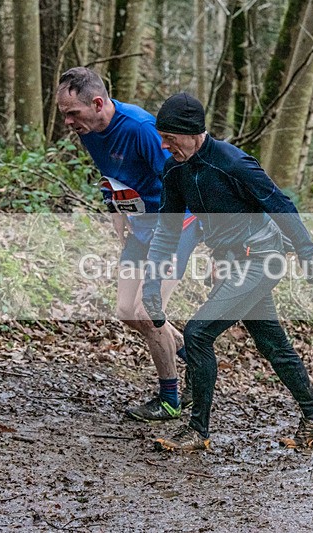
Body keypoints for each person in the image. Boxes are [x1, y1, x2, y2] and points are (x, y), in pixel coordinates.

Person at [140, 92, 313, 452]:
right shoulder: (174, 170)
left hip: (261, 259)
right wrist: (151, 283)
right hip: (233, 264)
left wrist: (308, 255)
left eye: (170, 138)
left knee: (198, 333)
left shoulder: (233, 163)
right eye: (161, 138)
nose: (165, 146)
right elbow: (167, 229)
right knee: (271, 343)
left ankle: (197, 431)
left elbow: (281, 205)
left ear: (193, 132)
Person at [56, 67, 203, 422]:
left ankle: (170, 399)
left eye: (72, 113)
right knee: (126, 311)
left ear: (97, 103)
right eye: (64, 114)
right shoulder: (89, 131)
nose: (68, 122)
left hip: (176, 226)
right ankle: (198, 359)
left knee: (147, 313)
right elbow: (112, 175)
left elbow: (181, 177)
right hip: (141, 228)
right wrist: (116, 212)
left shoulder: (139, 128)